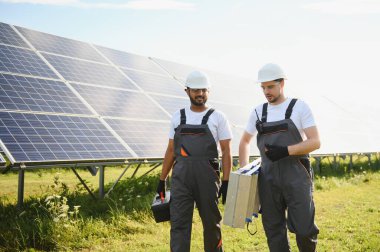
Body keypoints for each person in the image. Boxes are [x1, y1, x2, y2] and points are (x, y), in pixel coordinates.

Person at [239, 63, 320, 252]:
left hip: (297, 177)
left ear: (282, 83)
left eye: (270, 87)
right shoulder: (258, 112)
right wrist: (244, 174)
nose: (266, 91)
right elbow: (244, 142)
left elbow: (315, 141)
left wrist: (286, 150)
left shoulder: (299, 107)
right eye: (263, 87)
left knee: (304, 229)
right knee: (274, 230)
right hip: (268, 179)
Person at [156, 70, 232, 252]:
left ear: (209, 91)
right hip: (181, 179)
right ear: (187, 91)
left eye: (204, 90)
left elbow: (227, 151)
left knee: (212, 223)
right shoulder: (177, 116)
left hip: (208, 178)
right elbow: (170, 150)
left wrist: (227, 182)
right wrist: (162, 179)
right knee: (179, 223)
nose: (200, 94)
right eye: (196, 90)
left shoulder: (218, 117)